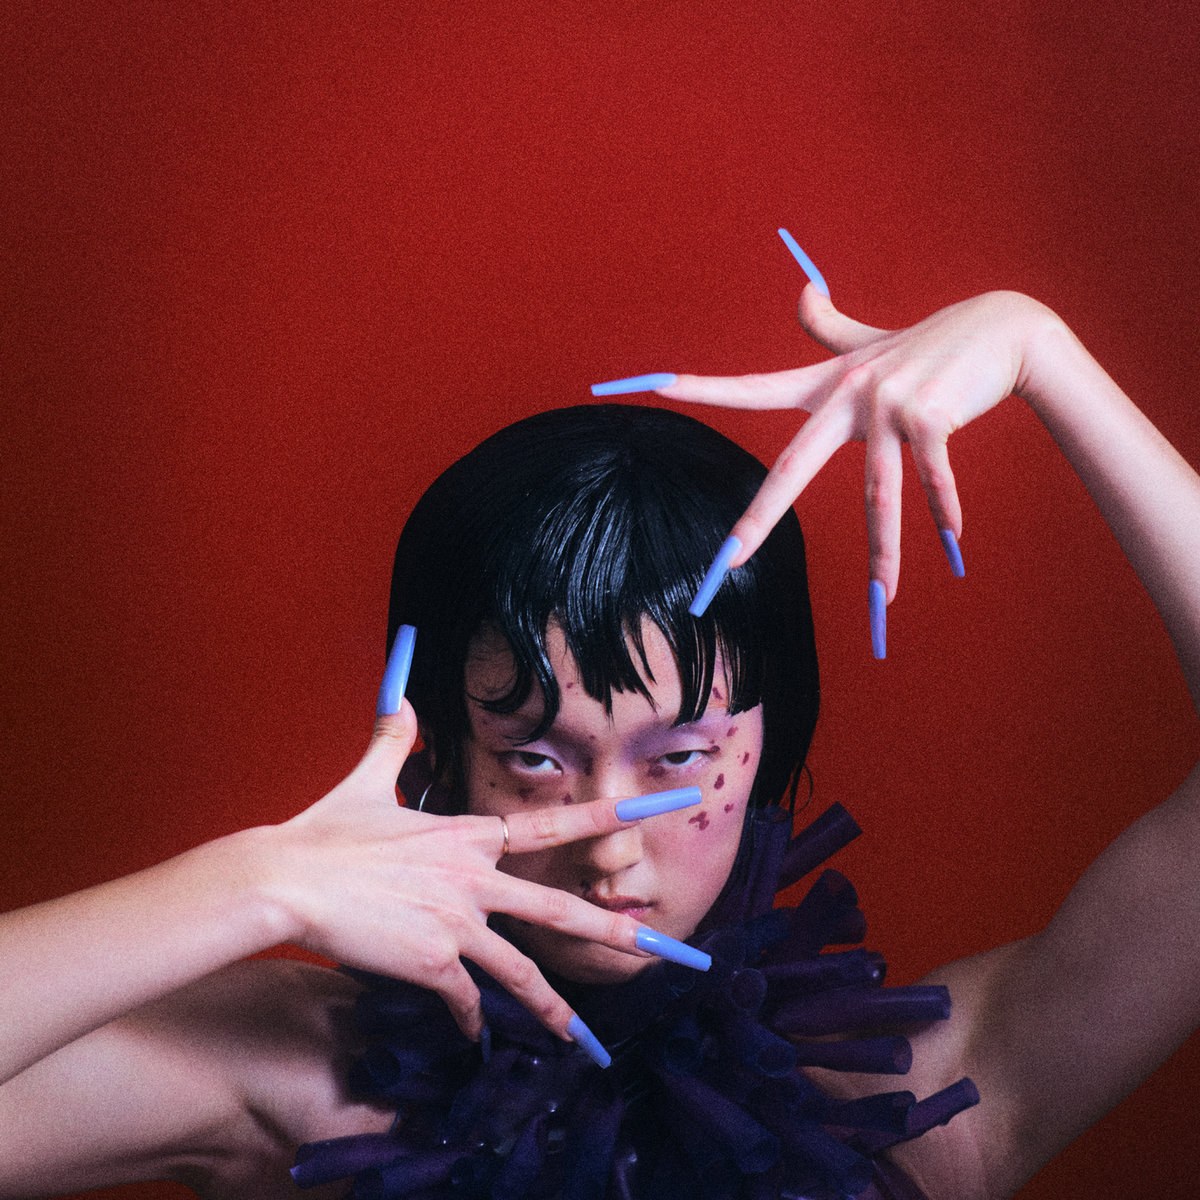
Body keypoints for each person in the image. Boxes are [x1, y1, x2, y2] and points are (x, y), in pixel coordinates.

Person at [1, 281, 1197, 1200]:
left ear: (767, 743)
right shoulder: (292, 1075)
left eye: (678, 762)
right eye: (537, 759)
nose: (610, 846)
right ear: (441, 752)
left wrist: (1040, 348)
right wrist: (252, 885)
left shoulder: (914, 1092)